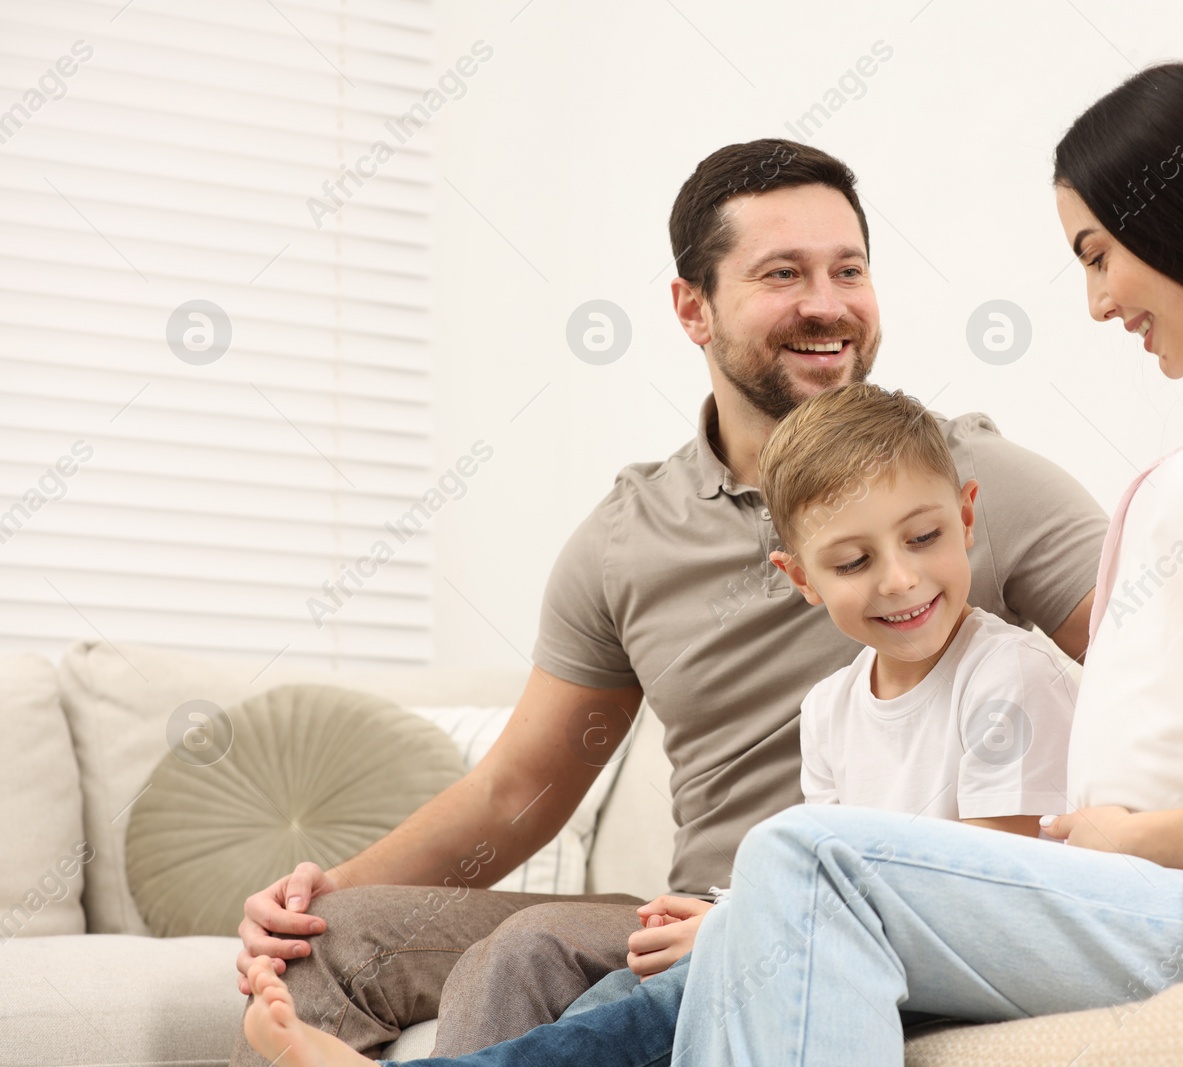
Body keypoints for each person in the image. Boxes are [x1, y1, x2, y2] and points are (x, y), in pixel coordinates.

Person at [670, 61, 1183, 1065]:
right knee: (757, 906)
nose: (1097, 301)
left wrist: (1140, 838)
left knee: (809, 859)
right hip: (1168, 891)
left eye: (1098, 253)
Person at [228, 139, 1108, 1064]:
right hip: (686, 907)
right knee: (323, 947)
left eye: (849, 269)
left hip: (880, 911)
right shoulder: (628, 534)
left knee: (521, 951)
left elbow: (1149, 685)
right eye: (783, 272)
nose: (827, 302)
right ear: (693, 307)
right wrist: (309, 897)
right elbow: (518, 786)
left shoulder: (975, 482)